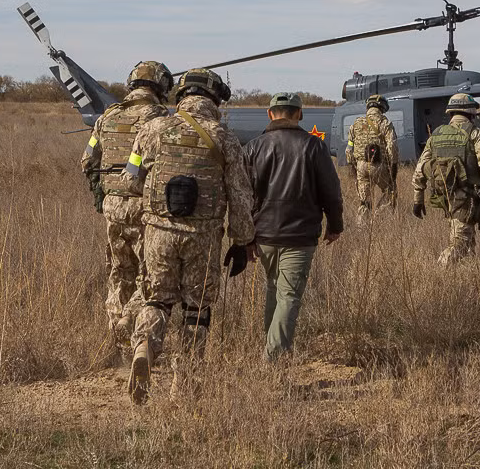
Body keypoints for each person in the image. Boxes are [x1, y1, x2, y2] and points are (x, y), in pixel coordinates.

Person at [123, 68, 255, 404]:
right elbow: (240, 194)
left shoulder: (151, 130)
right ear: (214, 99)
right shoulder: (224, 138)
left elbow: (132, 178)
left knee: (157, 299)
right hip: (204, 236)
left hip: (158, 235)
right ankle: (186, 381)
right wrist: (242, 241)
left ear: (181, 96)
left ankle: (144, 348)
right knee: (198, 310)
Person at [80, 61, 171, 359]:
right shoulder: (158, 118)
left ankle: (116, 340)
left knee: (119, 272)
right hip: (144, 209)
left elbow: (87, 161)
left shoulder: (106, 119)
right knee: (150, 274)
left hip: (112, 208)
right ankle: (132, 326)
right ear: (161, 86)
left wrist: (102, 194)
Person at [243, 92, 343, 361]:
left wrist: (245, 237)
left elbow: (243, 195)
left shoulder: (253, 147)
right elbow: (331, 191)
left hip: (262, 233)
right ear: (299, 114)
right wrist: (335, 225)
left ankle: (271, 347)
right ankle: (273, 359)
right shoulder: (314, 147)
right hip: (299, 235)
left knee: (275, 288)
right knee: (288, 295)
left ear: (270, 114)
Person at [411, 93, 480, 266]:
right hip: (466, 194)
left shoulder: (436, 135)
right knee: (460, 243)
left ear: (450, 113)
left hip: (444, 195)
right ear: (471, 114)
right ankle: (439, 271)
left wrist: (418, 199)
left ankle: (468, 274)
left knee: (466, 237)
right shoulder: (475, 133)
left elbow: (420, 168)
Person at [345, 94, 398, 225]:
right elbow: (392, 146)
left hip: (360, 166)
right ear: (382, 107)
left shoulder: (356, 124)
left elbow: (349, 148)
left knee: (364, 201)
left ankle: (361, 227)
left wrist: (353, 165)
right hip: (378, 165)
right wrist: (394, 165)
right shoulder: (385, 123)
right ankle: (379, 219)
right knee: (391, 192)